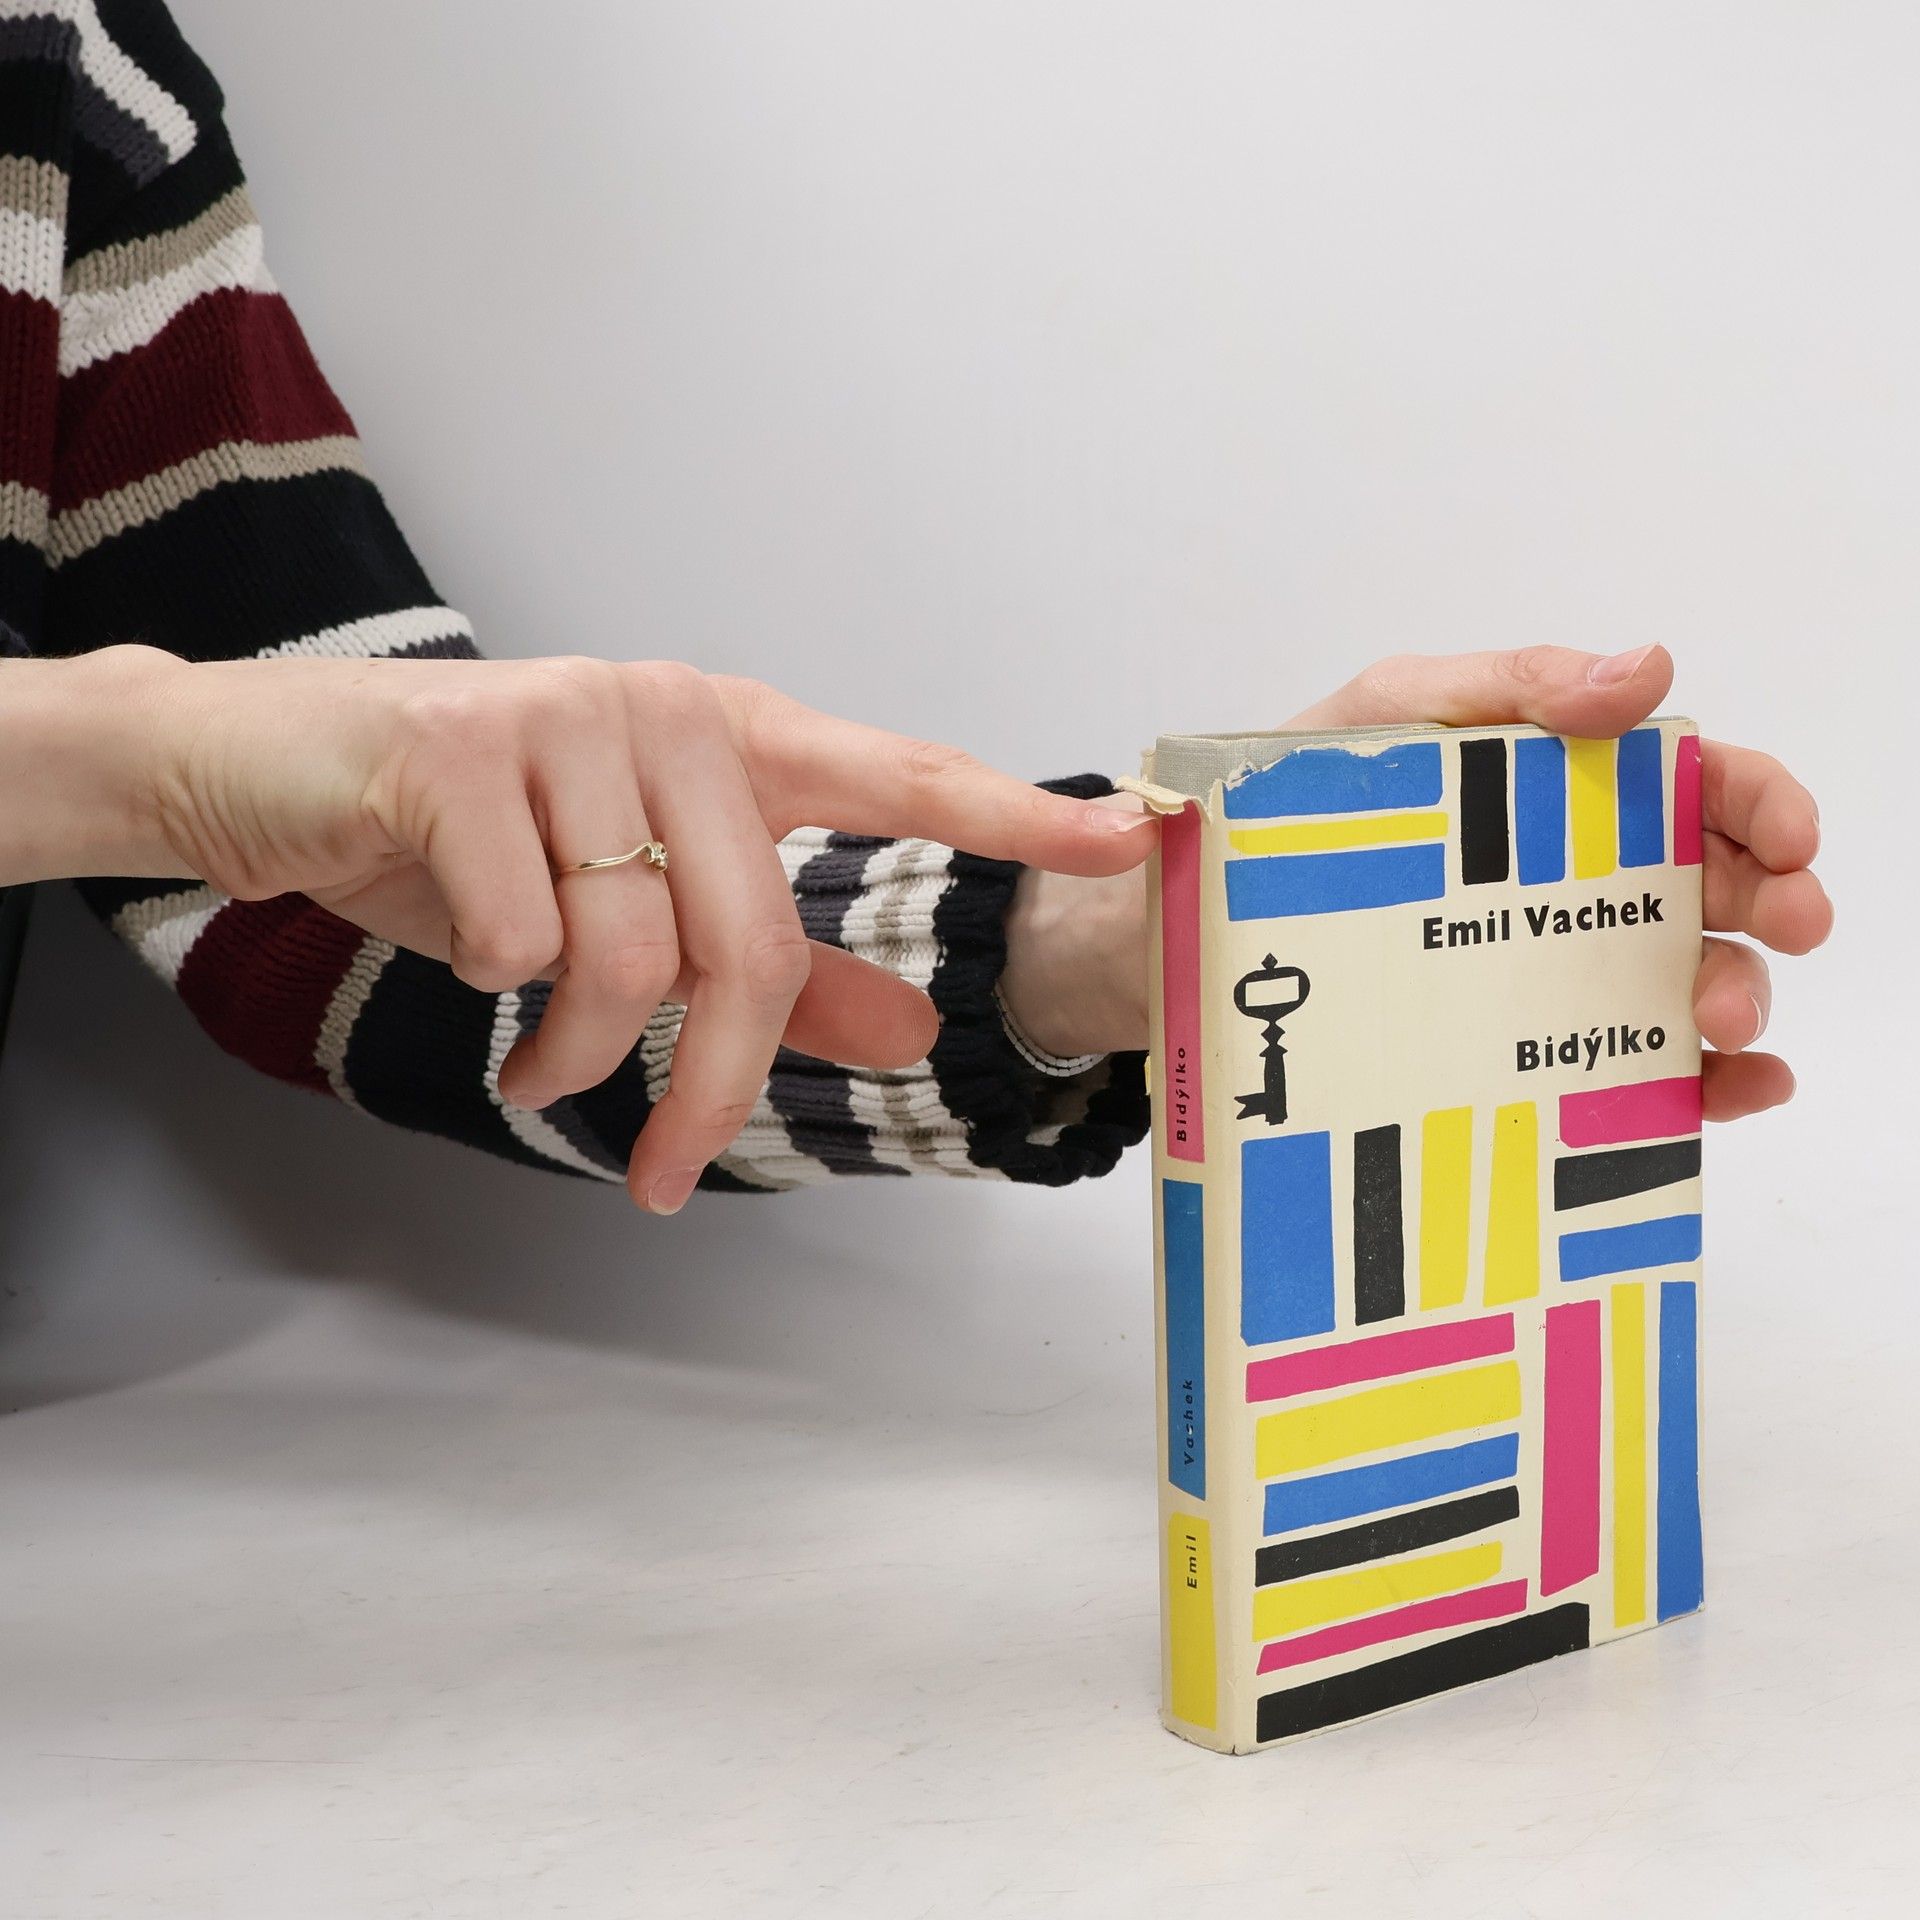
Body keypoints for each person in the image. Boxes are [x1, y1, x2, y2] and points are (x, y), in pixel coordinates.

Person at [0, 1, 1830, 1211]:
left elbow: (374, 918)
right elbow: (222, 782)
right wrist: (124, 759)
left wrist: (1142, 927)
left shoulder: (77, 73)